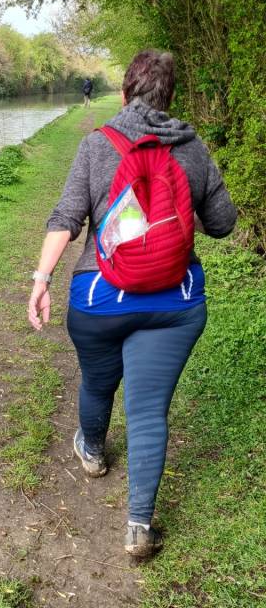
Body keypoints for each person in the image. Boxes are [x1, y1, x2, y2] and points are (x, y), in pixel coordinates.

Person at [28, 50, 236, 557]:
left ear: (123, 94)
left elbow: (66, 217)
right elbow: (224, 223)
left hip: (100, 297)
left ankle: (92, 449)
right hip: (174, 303)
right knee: (148, 410)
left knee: (98, 382)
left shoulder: (97, 144)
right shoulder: (192, 147)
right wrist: (182, 212)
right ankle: (139, 527)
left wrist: (42, 279)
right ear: (170, 98)